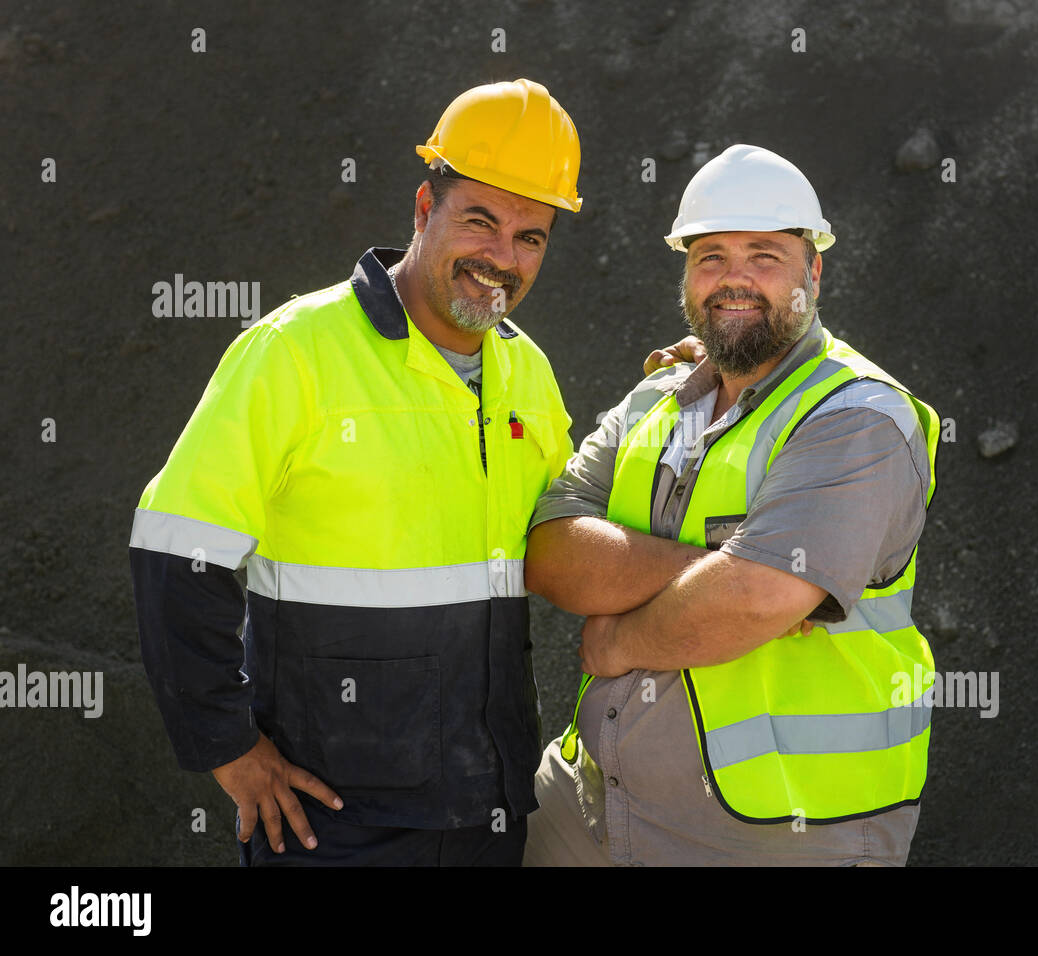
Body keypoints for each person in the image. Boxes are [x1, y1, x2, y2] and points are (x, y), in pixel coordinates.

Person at [128, 78, 697, 867]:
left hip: (487, 807)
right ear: (425, 210)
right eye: (481, 221)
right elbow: (175, 550)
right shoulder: (296, 352)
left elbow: (565, 530)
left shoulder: (524, 371)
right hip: (332, 819)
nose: (502, 257)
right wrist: (227, 747)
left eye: (530, 237)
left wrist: (672, 400)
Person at [522, 144, 942, 866]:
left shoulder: (859, 417)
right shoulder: (655, 400)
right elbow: (550, 550)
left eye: (764, 256)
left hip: (782, 830)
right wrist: (723, 566)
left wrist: (618, 642)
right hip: (592, 801)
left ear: (813, 271)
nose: (734, 277)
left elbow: (753, 597)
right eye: (710, 256)